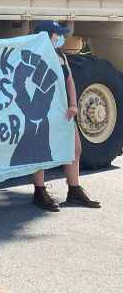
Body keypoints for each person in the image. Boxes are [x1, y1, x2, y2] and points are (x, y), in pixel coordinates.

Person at [30, 21, 100, 211]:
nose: (61, 38)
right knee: (41, 150)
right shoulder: (35, 56)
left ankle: (74, 189)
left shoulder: (61, 56)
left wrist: (72, 104)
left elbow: (69, 80)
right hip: (43, 110)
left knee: (75, 148)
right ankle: (39, 191)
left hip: (63, 111)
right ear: (46, 36)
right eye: (56, 34)